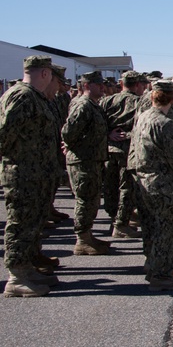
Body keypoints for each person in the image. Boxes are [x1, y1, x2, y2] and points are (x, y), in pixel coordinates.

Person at [1, 56, 62, 297]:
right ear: (45, 74)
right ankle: (16, 276)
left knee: (33, 225)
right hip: (23, 175)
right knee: (21, 225)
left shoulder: (33, 96)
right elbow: (4, 134)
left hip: (36, 174)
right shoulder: (22, 96)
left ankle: (27, 266)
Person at [129, 80, 173, 291]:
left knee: (151, 226)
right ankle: (161, 274)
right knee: (168, 227)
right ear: (172, 98)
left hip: (143, 178)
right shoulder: (166, 123)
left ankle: (153, 262)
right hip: (163, 181)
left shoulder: (143, 117)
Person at [61, 71, 112, 256]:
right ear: (87, 86)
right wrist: (72, 146)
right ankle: (82, 240)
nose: (102, 87)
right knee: (85, 200)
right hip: (83, 161)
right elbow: (68, 133)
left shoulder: (93, 105)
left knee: (91, 200)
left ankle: (87, 235)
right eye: (98, 84)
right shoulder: (83, 105)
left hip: (91, 160)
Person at [101, 70, 148, 239]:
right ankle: (121, 223)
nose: (144, 88)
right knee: (126, 188)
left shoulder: (107, 101)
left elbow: (98, 123)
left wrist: (108, 134)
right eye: (142, 85)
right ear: (136, 85)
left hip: (108, 149)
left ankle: (114, 217)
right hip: (128, 150)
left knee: (110, 186)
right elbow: (142, 127)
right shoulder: (140, 102)